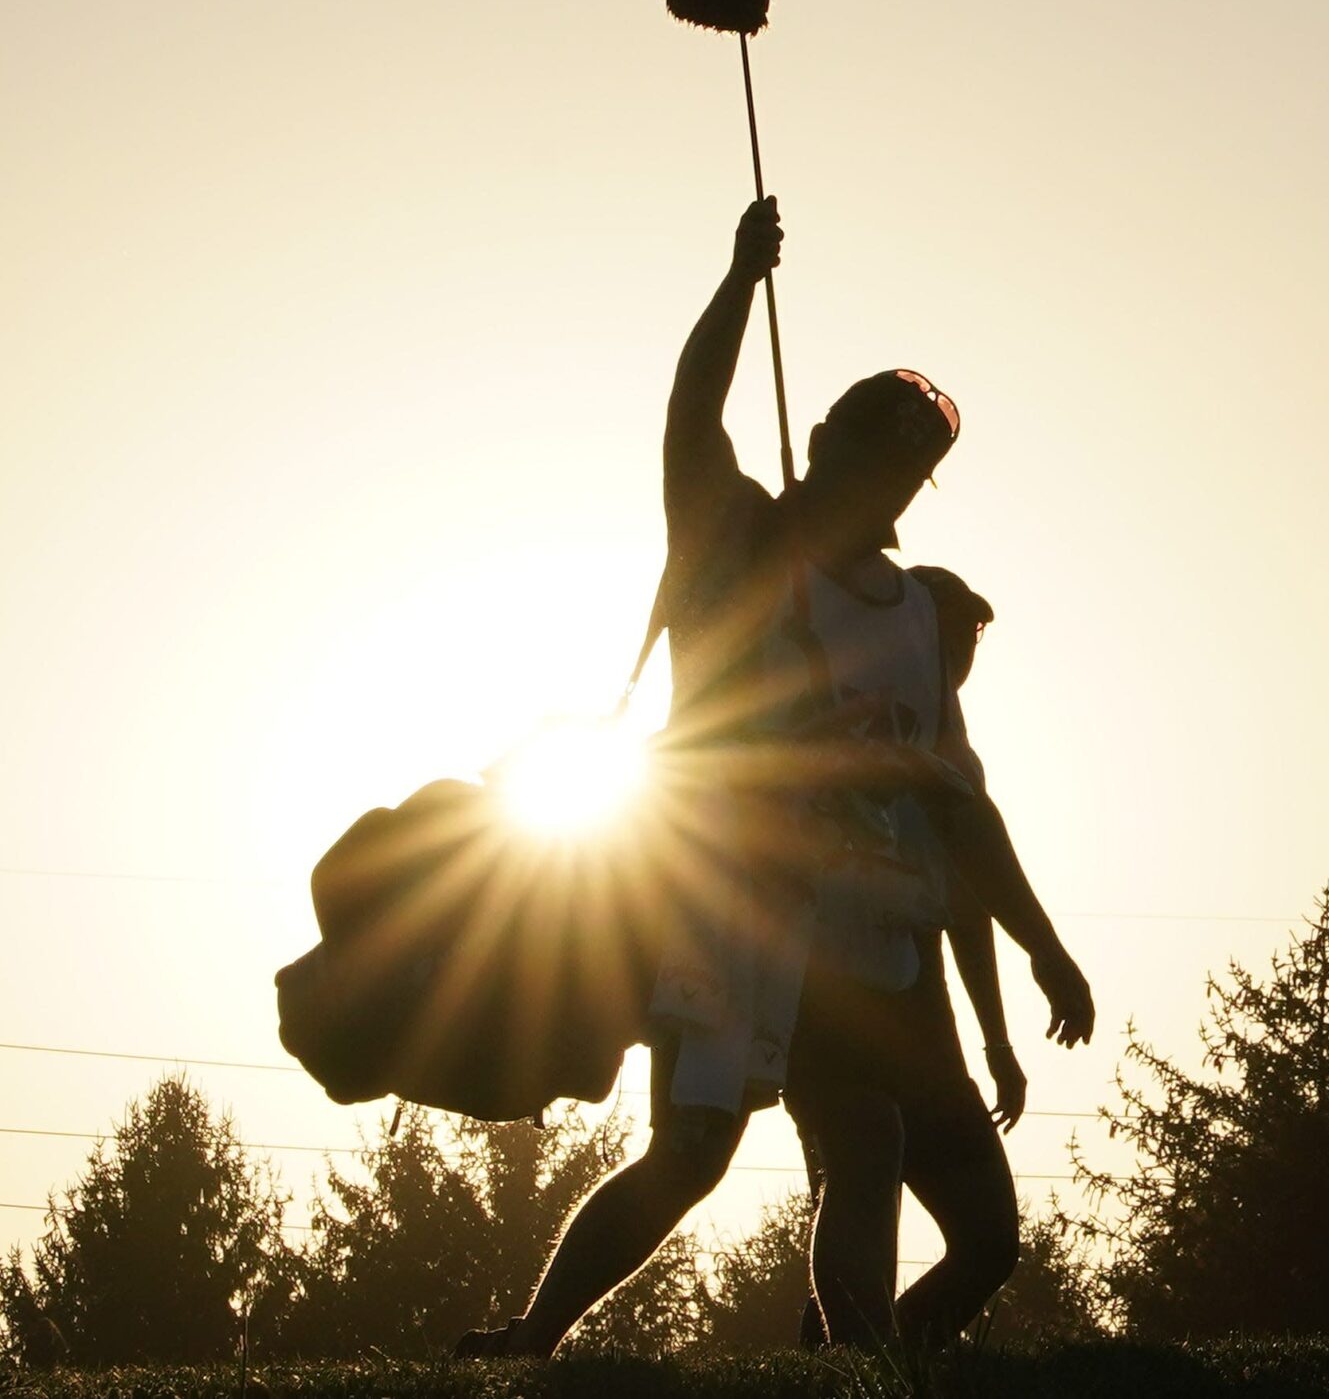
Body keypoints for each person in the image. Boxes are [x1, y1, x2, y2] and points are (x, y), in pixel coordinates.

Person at [457, 197, 1092, 1358]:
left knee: (987, 1234)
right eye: (882, 456)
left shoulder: (915, 616)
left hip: (885, 945)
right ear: (829, 448)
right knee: (719, 1156)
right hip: (743, 922)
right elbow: (691, 417)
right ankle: (542, 1334)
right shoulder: (736, 543)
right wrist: (742, 280)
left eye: (915, 471)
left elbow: (961, 807)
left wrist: (1042, 943)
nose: (895, 486)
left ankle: (859, 1358)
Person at [795, 569, 1035, 1349]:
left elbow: (968, 910)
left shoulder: (959, 759)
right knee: (861, 1177)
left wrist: (996, 1040)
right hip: (832, 985)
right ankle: (850, 1363)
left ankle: (872, 1355)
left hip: (922, 998)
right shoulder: (860, 726)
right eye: (955, 625)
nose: (966, 644)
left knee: (991, 1238)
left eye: (974, 631)